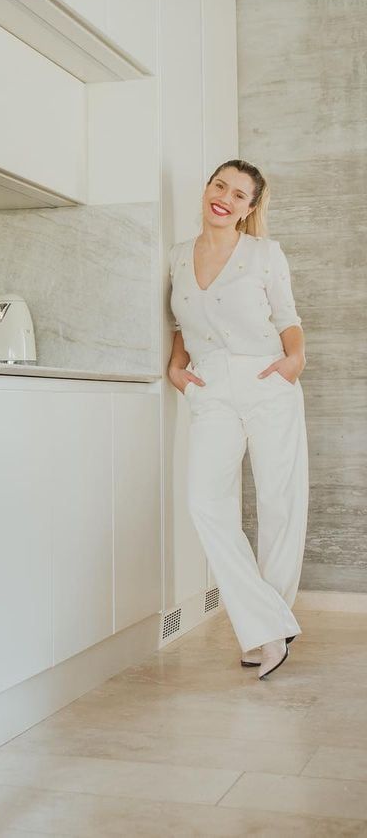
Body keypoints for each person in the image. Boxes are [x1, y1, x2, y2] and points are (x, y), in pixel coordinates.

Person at [167, 159, 307, 680]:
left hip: (267, 379)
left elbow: (289, 320)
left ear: (249, 210)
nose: (224, 197)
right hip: (211, 388)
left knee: (278, 502)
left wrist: (293, 364)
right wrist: (176, 367)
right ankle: (268, 624)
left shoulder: (265, 254)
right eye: (219, 185)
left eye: (238, 194)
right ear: (207, 189)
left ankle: (267, 628)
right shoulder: (179, 257)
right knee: (205, 501)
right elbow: (183, 319)